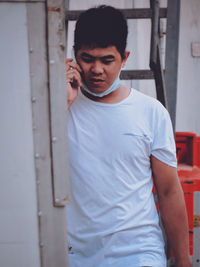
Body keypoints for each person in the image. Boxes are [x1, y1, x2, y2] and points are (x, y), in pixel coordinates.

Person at [66, 5, 191, 267]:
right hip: (74, 255)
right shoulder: (57, 109)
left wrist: (183, 259)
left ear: (124, 57)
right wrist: (60, 103)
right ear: (73, 58)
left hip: (138, 252)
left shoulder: (151, 112)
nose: (96, 69)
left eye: (107, 60)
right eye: (87, 58)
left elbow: (168, 191)